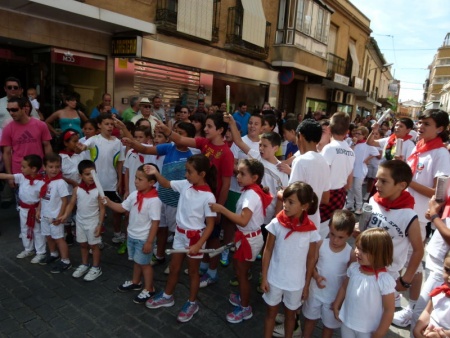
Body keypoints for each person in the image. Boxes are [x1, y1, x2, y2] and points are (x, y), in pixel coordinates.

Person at [155, 113, 234, 287]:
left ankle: (212, 273)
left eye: (209, 126)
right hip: (198, 200)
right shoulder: (204, 143)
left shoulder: (227, 153)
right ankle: (203, 266)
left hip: (211, 202)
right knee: (203, 236)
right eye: (205, 125)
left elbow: (226, 184)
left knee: (212, 238)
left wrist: (218, 208)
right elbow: (181, 139)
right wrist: (167, 131)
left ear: (220, 130)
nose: (205, 129)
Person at [144, 155, 216, 322]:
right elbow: (166, 183)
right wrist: (155, 172)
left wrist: (198, 244)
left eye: (189, 172)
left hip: (195, 238)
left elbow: (210, 225)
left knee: (193, 272)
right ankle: (168, 296)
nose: (185, 175)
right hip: (179, 234)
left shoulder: (208, 197)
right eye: (186, 171)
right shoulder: (185, 185)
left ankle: (192, 302)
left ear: (202, 174)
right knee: (174, 267)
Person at [395, 109, 450, 329]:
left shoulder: (441, 155)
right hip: (404, 211)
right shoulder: (419, 148)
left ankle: (413, 309)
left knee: (414, 267)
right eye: (419, 122)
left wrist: (406, 180)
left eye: (426, 123)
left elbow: (438, 194)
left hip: (417, 218)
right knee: (401, 261)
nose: (420, 126)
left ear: (440, 128)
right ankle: (401, 300)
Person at [122, 122, 195, 266]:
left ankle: (175, 262)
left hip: (178, 201)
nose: (176, 135)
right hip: (162, 197)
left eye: (181, 133)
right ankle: (160, 255)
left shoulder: (192, 155)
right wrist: (131, 141)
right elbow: (144, 149)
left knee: (177, 234)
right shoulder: (169, 148)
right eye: (175, 131)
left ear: (190, 137)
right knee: (161, 229)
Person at [209, 159, 271, 324]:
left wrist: (221, 209)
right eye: (238, 172)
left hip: (248, 240)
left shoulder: (250, 194)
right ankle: (242, 297)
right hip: (247, 238)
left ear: (255, 177)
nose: (238, 176)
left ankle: (245, 308)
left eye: (243, 174)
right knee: (240, 270)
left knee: (242, 274)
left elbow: (243, 221)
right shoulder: (251, 190)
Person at [363, 160, 424, 326]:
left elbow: (418, 250)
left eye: (384, 181)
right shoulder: (374, 201)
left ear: (401, 185)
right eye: (376, 179)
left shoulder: (408, 215)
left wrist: (406, 279)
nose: (377, 185)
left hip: (387, 274)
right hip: (363, 268)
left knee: (377, 319)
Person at [261, 182, 320, 338]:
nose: (285, 205)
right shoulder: (276, 224)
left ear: (305, 206)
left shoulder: (311, 231)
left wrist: (306, 285)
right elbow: (267, 250)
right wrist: (264, 277)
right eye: (285, 200)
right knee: (270, 314)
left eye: (291, 202)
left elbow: (311, 259)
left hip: (296, 283)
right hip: (274, 278)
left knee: (290, 316)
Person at [104, 164, 161, 303]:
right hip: (133, 235)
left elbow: (155, 222)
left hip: (143, 238)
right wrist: (109, 202)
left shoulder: (154, 200)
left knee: (145, 265)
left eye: (140, 179)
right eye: (136, 177)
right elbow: (122, 207)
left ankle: (150, 288)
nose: (135, 181)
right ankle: (136, 282)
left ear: (151, 183)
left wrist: (149, 241)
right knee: (137, 261)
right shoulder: (135, 194)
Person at [333, 228, 396, 338]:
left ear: (379, 254)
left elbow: (389, 309)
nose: (357, 251)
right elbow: (344, 287)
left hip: (368, 329)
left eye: (364, 251)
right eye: (357, 247)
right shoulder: (354, 268)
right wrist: (336, 305)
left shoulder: (384, 280)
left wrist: (380, 332)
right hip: (347, 321)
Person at [302, 210, 355, 338]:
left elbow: (350, 278)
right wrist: (315, 277)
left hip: (333, 297)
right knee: (310, 320)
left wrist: (341, 300)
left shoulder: (350, 253)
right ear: (329, 229)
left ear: (349, 235)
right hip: (315, 293)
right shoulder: (321, 244)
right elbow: (311, 265)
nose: (335, 240)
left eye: (340, 237)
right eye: (332, 234)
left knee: (329, 327)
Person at [77, 113, 125, 244]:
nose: (110, 127)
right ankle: (97, 236)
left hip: (112, 183)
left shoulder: (118, 142)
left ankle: (117, 233)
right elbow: (84, 146)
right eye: (106, 124)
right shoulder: (94, 139)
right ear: (99, 125)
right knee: (97, 211)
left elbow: (120, 163)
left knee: (116, 210)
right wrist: (80, 147)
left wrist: (120, 180)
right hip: (96, 183)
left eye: (111, 124)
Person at [0, 97, 52, 208]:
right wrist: (10, 176)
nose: (11, 113)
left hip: (40, 171)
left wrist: (49, 167)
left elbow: (47, 146)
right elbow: (6, 153)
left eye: (14, 109)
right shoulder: (8, 128)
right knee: (23, 207)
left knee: (44, 205)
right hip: (20, 172)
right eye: (8, 110)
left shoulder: (40, 125)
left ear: (24, 109)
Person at [61, 160, 105, 281]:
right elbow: (71, 204)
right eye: (87, 174)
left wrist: (100, 225)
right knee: (83, 245)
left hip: (93, 222)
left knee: (94, 246)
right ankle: (85, 264)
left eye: (93, 173)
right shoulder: (77, 189)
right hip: (80, 221)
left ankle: (96, 267)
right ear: (80, 175)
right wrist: (65, 215)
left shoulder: (99, 191)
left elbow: (102, 209)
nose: (91, 177)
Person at [412, 196, 450, 338]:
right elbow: (428, 311)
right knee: (429, 309)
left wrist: (434, 216)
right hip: (439, 259)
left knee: (418, 313)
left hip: (442, 265)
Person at [287, 118, 330, 239]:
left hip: (298, 222)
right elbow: (326, 198)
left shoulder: (300, 161)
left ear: (300, 136)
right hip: (314, 222)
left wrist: (279, 193)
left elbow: (292, 197)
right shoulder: (324, 162)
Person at [0, 155, 46, 263]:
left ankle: (41, 252)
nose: (21, 169)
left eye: (24, 167)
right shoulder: (21, 177)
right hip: (23, 209)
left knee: (37, 230)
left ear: (33, 169)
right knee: (25, 229)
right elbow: (7, 176)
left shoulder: (41, 182)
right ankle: (28, 249)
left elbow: (42, 198)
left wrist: (39, 211)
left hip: (35, 210)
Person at [37, 153, 72, 273]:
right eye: (51, 167)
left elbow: (65, 200)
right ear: (44, 167)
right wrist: (38, 210)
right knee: (48, 236)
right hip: (45, 214)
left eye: (57, 167)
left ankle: (66, 260)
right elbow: (42, 197)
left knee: (59, 238)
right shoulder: (43, 181)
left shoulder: (60, 183)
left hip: (55, 216)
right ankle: (53, 253)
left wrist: (60, 216)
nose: (54, 169)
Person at [319, 112, 355, 228]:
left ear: (329, 129)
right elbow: (349, 184)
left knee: (318, 231)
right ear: (347, 131)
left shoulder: (328, 149)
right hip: (340, 196)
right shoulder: (351, 152)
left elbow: (322, 175)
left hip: (325, 195)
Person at [413, 250, 450, 338]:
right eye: (447, 270)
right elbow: (428, 311)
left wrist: (441, 334)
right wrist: (418, 327)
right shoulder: (439, 290)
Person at [346, 126, 379, 214]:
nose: (356, 135)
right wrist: (353, 143)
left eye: (359, 134)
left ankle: (359, 206)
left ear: (364, 135)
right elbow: (349, 152)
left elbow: (376, 153)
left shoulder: (367, 144)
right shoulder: (352, 143)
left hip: (360, 169)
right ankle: (349, 205)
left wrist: (368, 159)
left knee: (357, 188)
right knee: (350, 187)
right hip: (352, 168)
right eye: (355, 133)